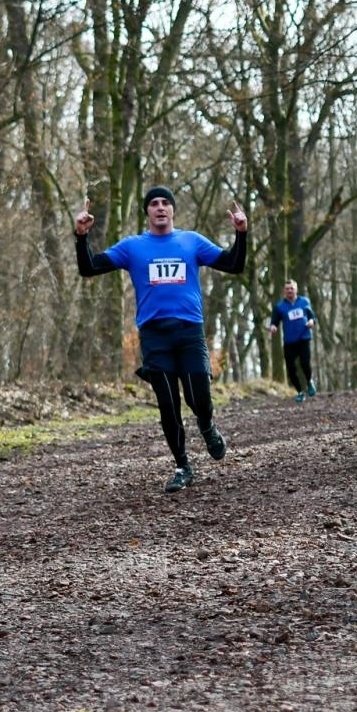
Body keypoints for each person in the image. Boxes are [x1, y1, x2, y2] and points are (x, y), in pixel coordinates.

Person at [74, 186, 248, 493]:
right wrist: (81, 236)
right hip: (154, 335)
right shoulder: (133, 247)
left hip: (189, 331)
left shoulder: (191, 241)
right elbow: (89, 267)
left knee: (198, 398)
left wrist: (241, 235)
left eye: (165, 203)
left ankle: (207, 425)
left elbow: (233, 264)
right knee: (168, 404)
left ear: (173, 210)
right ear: (147, 212)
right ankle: (182, 466)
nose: (160, 207)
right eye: (153, 203)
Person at [266, 280, 317, 402]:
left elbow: (312, 316)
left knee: (305, 363)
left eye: (292, 288)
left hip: (304, 338)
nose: (289, 290)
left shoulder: (304, 301)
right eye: (287, 288)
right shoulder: (279, 306)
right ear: (284, 291)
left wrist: (311, 322)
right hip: (289, 341)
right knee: (291, 369)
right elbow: (274, 321)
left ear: (296, 289)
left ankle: (309, 381)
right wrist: (273, 327)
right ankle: (299, 391)